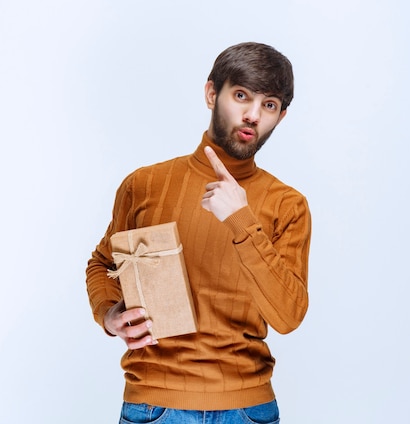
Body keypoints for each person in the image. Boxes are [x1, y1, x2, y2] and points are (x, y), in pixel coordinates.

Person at [86, 41, 311, 424]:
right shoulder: (144, 184)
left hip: (247, 408)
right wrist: (108, 314)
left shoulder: (287, 204)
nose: (253, 115)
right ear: (212, 94)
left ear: (281, 116)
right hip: (153, 404)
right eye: (241, 96)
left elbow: (288, 317)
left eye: (269, 105)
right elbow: (104, 264)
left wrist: (241, 220)